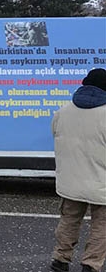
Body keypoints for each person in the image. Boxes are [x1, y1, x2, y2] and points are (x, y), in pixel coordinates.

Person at [49, 68, 106, 272]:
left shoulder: (62, 111)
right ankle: (91, 264)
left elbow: (55, 135)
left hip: (71, 181)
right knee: (102, 225)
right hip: (102, 183)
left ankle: (60, 259)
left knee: (69, 220)